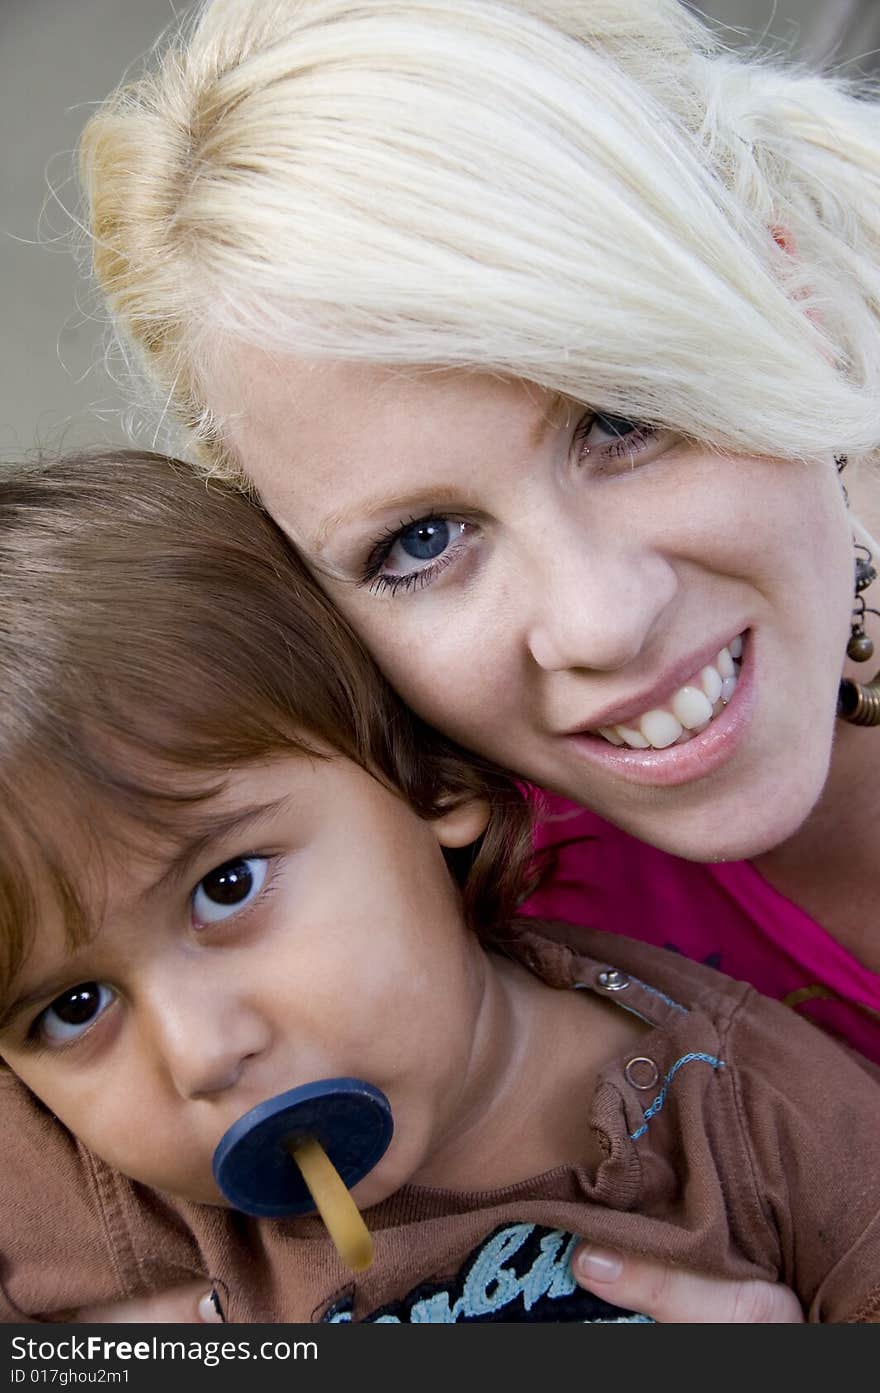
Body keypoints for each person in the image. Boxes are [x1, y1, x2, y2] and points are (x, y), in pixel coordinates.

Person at [75, 0, 880, 1318]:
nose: (598, 622)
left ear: (784, 285)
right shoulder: (447, 933)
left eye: (623, 414)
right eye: (424, 540)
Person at [0, 448, 878, 1325]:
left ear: (428, 779)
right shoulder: (67, 1174)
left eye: (227, 885)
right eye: (73, 1007)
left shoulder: (760, 1116)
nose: (200, 1054)